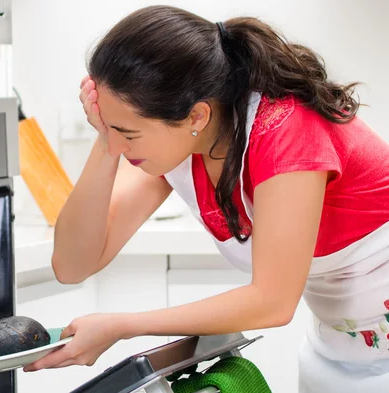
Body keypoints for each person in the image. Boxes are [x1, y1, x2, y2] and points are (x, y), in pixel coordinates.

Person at [23, 5, 389, 392]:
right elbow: (73, 264)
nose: (119, 145)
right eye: (109, 128)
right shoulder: (178, 142)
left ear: (196, 116)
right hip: (337, 347)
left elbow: (272, 301)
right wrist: (107, 140)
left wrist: (124, 326)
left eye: (128, 133)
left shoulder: (287, 131)